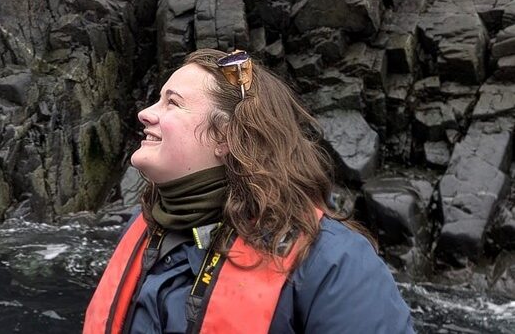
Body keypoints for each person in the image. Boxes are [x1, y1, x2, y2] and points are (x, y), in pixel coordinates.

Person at [84, 48, 414, 333]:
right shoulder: (144, 228)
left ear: (225, 138)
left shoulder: (333, 264)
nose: (145, 113)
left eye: (172, 103)